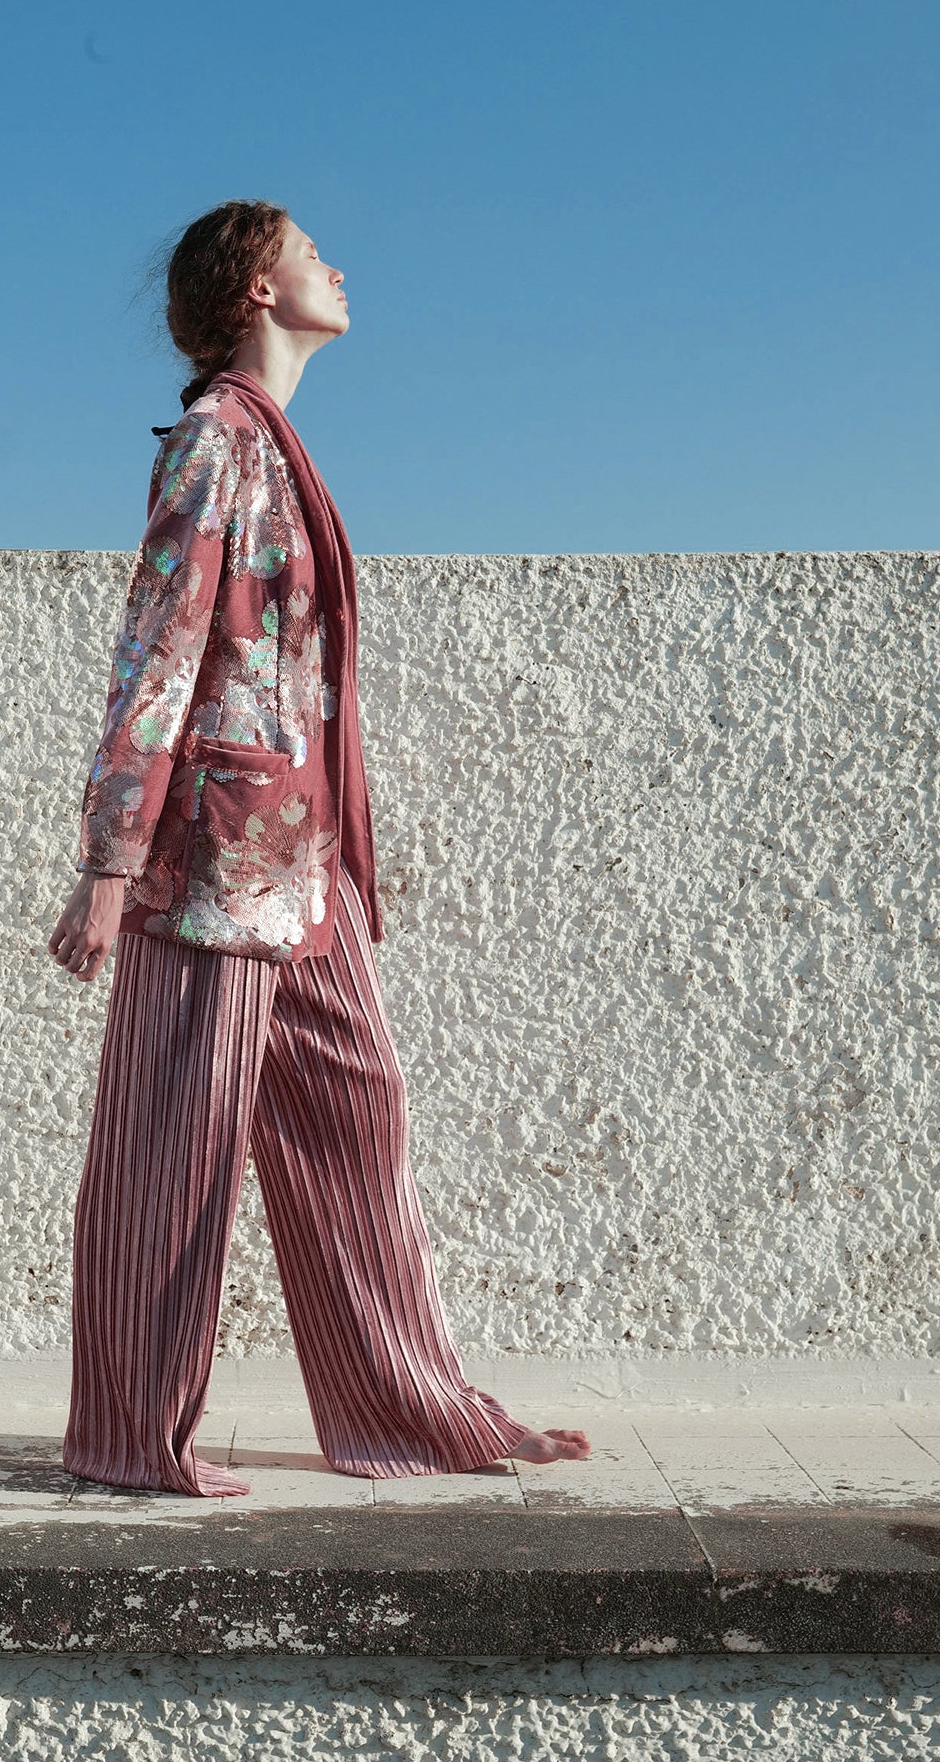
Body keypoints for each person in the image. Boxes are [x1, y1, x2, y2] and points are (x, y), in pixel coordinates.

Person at [47, 198, 590, 1496]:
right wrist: (111, 859)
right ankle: (128, 1435)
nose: (335, 267)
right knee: (173, 1144)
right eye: (308, 252)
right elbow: (157, 647)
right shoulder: (216, 443)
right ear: (255, 285)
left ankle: (411, 1411)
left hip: (303, 861)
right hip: (214, 856)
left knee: (358, 1112)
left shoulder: (276, 447)